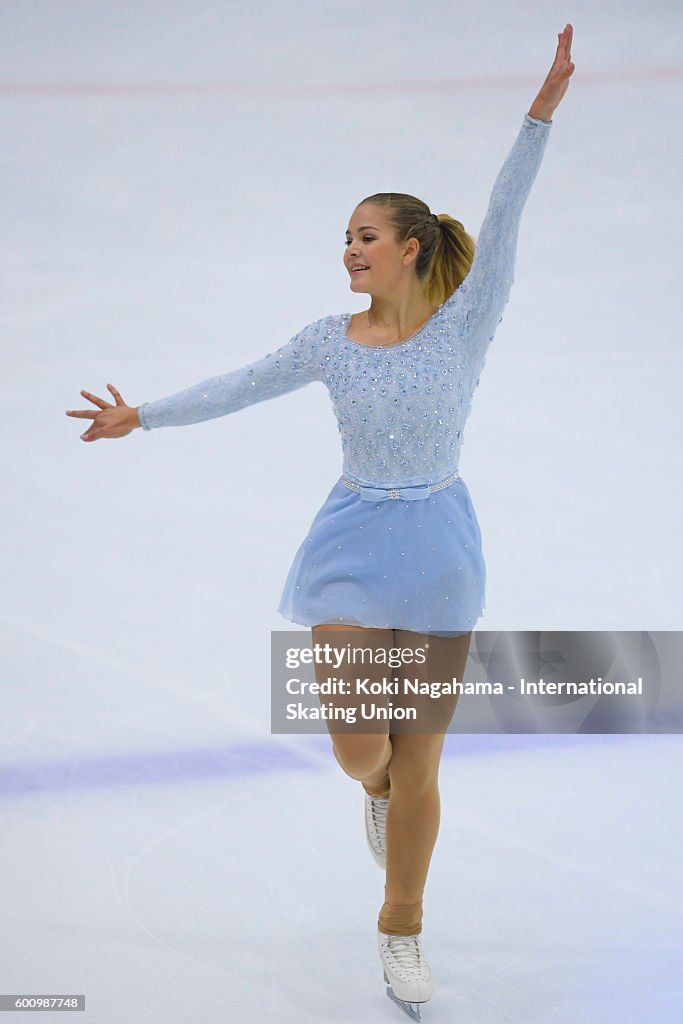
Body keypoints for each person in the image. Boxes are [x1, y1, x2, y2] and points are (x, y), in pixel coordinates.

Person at [66, 24, 574, 1019]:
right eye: (343, 237)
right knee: (359, 751)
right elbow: (244, 384)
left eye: (363, 234)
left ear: (409, 246)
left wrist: (538, 111)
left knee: (422, 754)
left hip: (437, 553)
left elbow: (506, 216)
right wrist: (147, 415)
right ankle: (377, 799)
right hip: (349, 551)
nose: (347, 249)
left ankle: (401, 929)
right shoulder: (325, 341)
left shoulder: (466, 322)